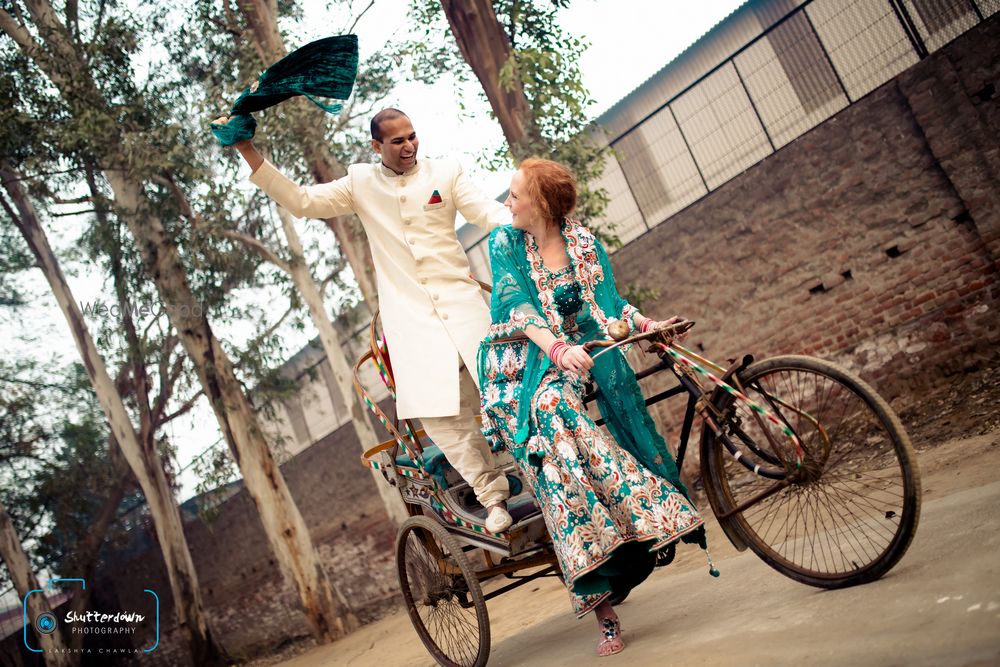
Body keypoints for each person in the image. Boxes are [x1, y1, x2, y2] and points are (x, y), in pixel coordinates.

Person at [226, 108, 514, 532]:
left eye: (413, 136)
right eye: (397, 141)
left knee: (505, 391)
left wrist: (533, 223)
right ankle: (493, 499)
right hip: (412, 328)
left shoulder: (446, 172)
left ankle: (540, 474)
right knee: (443, 421)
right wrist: (247, 150)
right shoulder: (361, 183)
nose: (409, 146)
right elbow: (304, 203)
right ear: (376, 146)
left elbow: (488, 213)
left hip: (465, 310)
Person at [477, 158, 711, 656]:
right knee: (559, 434)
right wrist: (557, 350)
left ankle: (645, 524)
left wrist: (647, 326)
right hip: (524, 365)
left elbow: (608, 304)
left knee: (623, 387)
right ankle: (603, 599)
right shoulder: (505, 243)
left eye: (514, 194)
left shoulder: (581, 240)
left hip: (583, 347)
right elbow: (517, 308)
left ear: (540, 203)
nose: (506, 203)